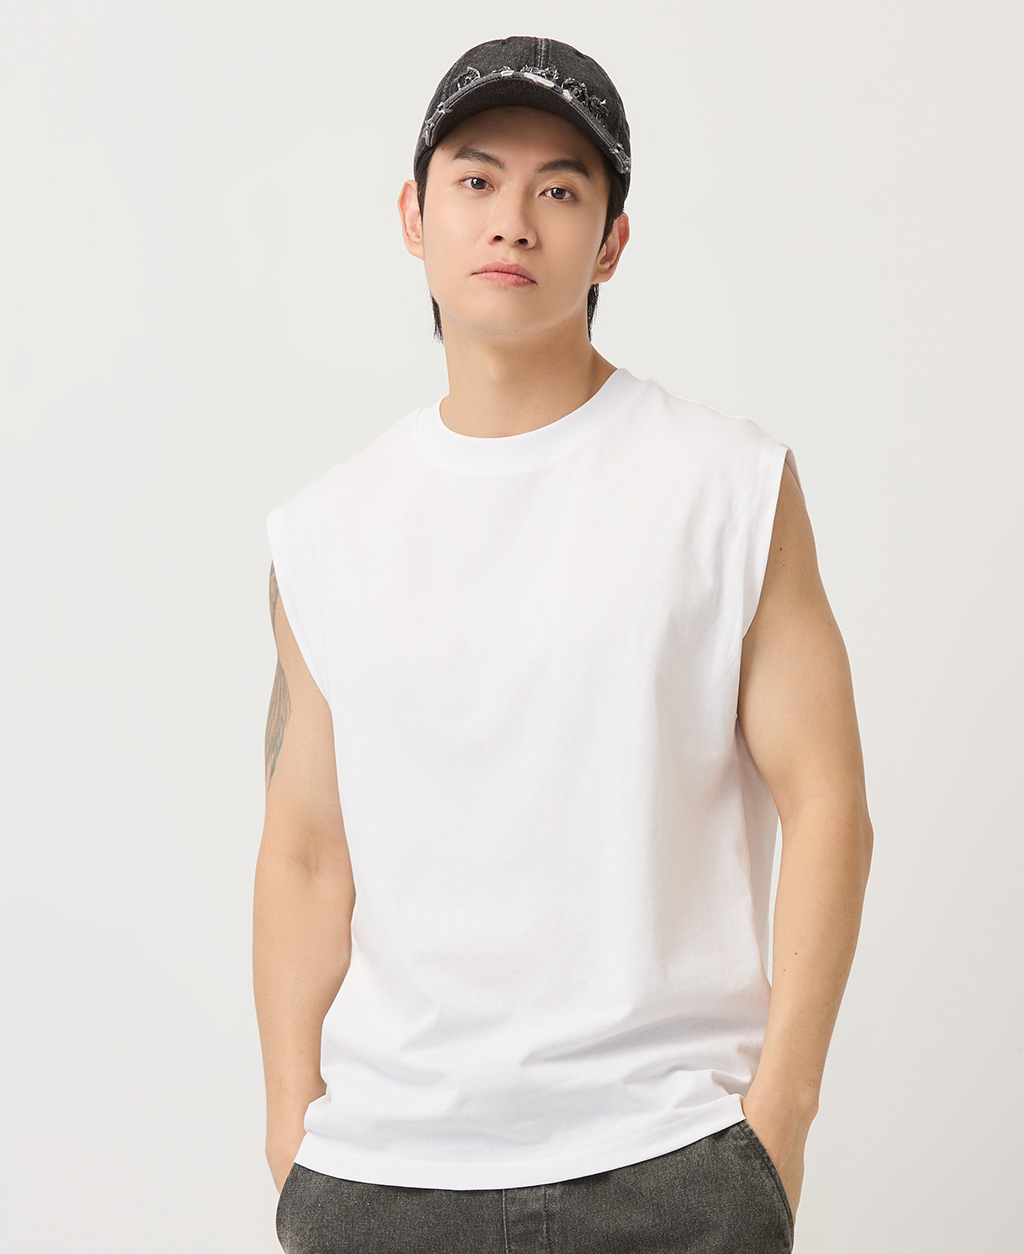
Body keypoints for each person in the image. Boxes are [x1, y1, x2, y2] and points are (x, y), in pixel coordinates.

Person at [253, 34, 873, 1254]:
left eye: (560, 189)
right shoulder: (324, 531)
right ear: (413, 216)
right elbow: (307, 853)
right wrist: (291, 1135)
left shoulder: (728, 487)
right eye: (477, 180)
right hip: (380, 1174)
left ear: (611, 241)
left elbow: (830, 803)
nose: (512, 221)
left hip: (669, 1161)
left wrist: (780, 1117)